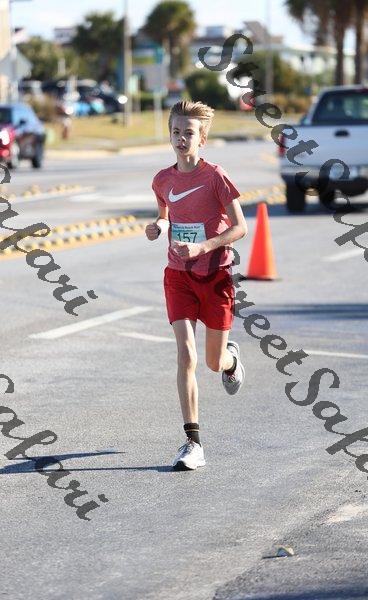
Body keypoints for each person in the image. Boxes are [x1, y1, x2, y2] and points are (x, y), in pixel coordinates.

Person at [145, 100, 248, 471]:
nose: (181, 138)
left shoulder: (215, 176)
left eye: (188, 132)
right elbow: (164, 214)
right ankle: (193, 442)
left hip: (216, 275)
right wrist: (157, 227)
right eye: (176, 131)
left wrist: (204, 246)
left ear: (202, 138)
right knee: (185, 356)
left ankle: (231, 360)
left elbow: (240, 227)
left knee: (213, 362)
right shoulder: (162, 179)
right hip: (178, 276)